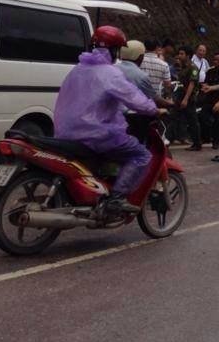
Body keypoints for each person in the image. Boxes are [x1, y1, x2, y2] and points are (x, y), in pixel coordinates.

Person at [53, 26, 161, 215]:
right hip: (95, 135)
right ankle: (116, 199)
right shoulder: (110, 73)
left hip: (64, 132)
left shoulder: (77, 69)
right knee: (141, 155)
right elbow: (135, 99)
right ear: (114, 50)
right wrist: (154, 109)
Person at [119, 40, 173, 108]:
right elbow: (167, 86)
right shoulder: (164, 65)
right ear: (157, 48)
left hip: (130, 102)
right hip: (152, 103)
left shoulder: (116, 68)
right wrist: (169, 101)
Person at [175, 46, 202, 151]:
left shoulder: (192, 67)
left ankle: (197, 143)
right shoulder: (182, 66)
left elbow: (192, 84)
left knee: (192, 120)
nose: (179, 56)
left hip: (189, 97)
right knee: (175, 117)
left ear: (188, 56)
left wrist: (186, 99)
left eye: (182, 54)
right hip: (180, 95)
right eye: (179, 53)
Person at [199, 53, 219, 149]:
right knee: (203, 117)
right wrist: (205, 87)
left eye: (217, 60)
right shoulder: (210, 71)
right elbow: (206, 82)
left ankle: (216, 141)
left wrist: (210, 88)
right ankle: (205, 137)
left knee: (217, 121)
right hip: (208, 98)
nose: (215, 62)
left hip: (218, 98)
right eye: (214, 60)